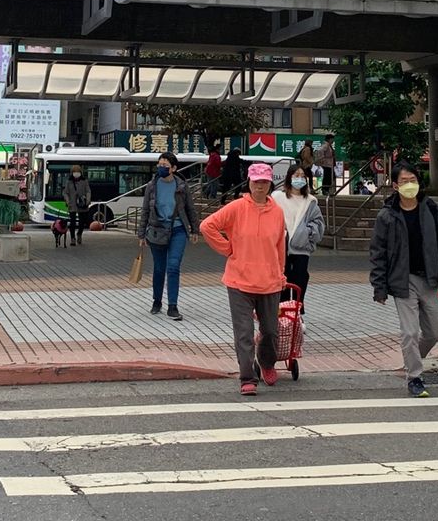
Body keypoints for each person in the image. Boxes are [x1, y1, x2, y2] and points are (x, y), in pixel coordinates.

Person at [370, 165, 438, 398]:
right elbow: (378, 253)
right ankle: (415, 377)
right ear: (395, 186)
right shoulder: (387, 215)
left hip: (429, 278)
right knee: (409, 332)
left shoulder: (431, 209)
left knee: (433, 332)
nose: (410, 184)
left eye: (413, 179)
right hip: (403, 280)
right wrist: (379, 287)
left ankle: (412, 361)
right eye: (404, 180)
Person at [200, 162, 288, 396]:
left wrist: (281, 273)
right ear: (249, 182)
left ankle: (266, 363)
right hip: (239, 281)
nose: (260, 186)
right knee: (244, 333)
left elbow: (280, 246)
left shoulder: (277, 212)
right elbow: (207, 226)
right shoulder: (237, 207)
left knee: (270, 331)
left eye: (264, 182)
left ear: (270, 184)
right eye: (256, 181)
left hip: (269, 281)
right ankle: (247, 377)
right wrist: (227, 248)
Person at [138, 151, 199, 320]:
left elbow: (190, 208)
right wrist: (141, 234)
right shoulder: (152, 186)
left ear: (174, 168)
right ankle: (157, 301)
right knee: (159, 268)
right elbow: (145, 210)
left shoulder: (182, 186)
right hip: (157, 230)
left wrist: (195, 229)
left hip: (178, 230)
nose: (161, 168)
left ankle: (173, 305)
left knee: (173, 267)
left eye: (165, 165)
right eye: (159, 165)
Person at [280, 162, 325, 311]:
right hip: (281, 247)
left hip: (301, 248)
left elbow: (318, 222)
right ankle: (282, 311)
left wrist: (306, 232)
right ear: (289, 177)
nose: (299, 178)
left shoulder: (310, 201)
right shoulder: (278, 198)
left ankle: (297, 312)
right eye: (296, 175)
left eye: (302, 176)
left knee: (300, 279)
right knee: (282, 280)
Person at [63, 165, 91, 245]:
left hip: (82, 204)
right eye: (74, 172)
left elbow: (88, 191)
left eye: (78, 172)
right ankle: (72, 238)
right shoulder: (69, 182)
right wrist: (67, 201)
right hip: (72, 204)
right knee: (72, 222)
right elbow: (65, 192)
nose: (76, 173)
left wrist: (87, 200)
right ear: (72, 173)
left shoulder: (84, 181)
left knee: (82, 222)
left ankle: (79, 234)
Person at [317, 133, 338, 198]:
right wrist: (322, 159)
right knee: (328, 176)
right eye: (332, 139)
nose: (333, 141)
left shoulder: (328, 145)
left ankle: (326, 189)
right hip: (327, 164)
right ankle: (325, 189)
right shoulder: (326, 145)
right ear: (329, 139)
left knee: (330, 176)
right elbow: (320, 151)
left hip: (329, 164)